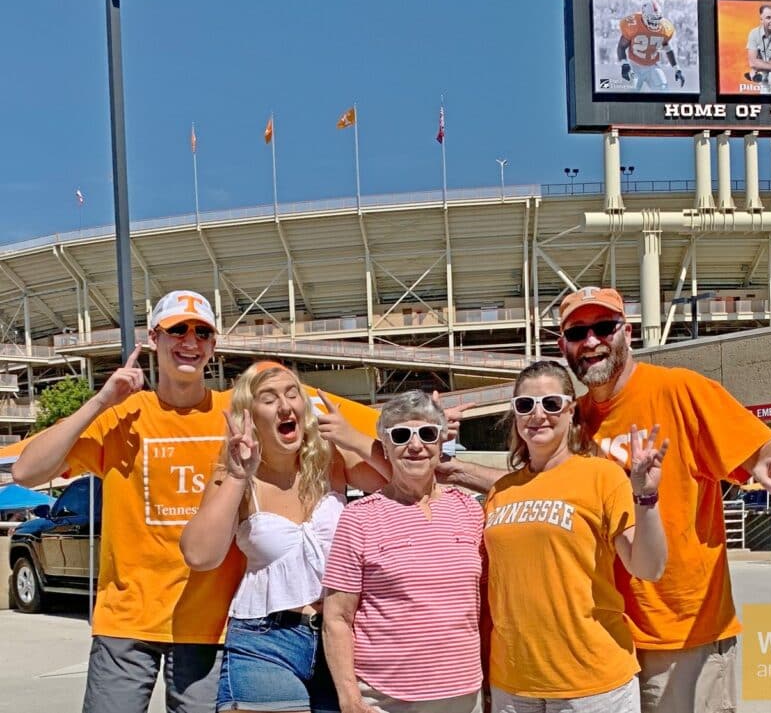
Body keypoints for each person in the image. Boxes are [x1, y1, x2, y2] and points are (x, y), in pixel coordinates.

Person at [439, 287, 771, 713]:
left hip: (679, 634)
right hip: (602, 637)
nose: (592, 340)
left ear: (627, 332)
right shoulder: (569, 417)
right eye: (578, 331)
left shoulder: (680, 390)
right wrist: (452, 465)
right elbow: (533, 488)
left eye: (604, 327)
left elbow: (760, 447)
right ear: (563, 345)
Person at [10, 290, 381, 713]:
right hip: (128, 616)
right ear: (154, 338)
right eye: (177, 330)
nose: (190, 341)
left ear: (213, 345)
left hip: (212, 623)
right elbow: (26, 471)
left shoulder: (241, 409)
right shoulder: (122, 416)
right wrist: (101, 401)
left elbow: (347, 422)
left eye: (202, 332)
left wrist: (427, 421)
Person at [180, 361, 387, 713]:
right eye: (269, 398)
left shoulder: (330, 460)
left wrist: (351, 437)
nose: (285, 405)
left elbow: (402, 484)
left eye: (293, 394)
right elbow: (199, 555)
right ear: (250, 415)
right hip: (265, 640)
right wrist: (237, 477)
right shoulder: (231, 474)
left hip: (341, 640)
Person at [484, 360, 667, 713]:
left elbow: (649, 568)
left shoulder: (601, 476)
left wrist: (646, 497)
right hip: (513, 682)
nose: (538, 415)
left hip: (592, 684)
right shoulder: (500, 492)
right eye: (525, 405)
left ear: (571, 410)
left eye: (551, 403)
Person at [322, 391, 485, 713]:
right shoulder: (360, 517)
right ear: (384, 447)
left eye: (427, 434)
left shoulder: (469, 510)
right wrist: (349, 697)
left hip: (465, 693)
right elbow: (337, 618)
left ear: (441, 443)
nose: (415, 445)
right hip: (385, 698)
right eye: (401, 435)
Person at [617, 0, 685, 91]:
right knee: (630, 96)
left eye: (657, 19)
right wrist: (624, 64)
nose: (655, 22)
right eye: (652, 19)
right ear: (644, 16)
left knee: (664, 92)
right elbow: (621, 47)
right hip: (634, 66)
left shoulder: (664, 28)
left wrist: (677, 69)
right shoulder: (633, 24)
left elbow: (668, 49)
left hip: (652, 66)